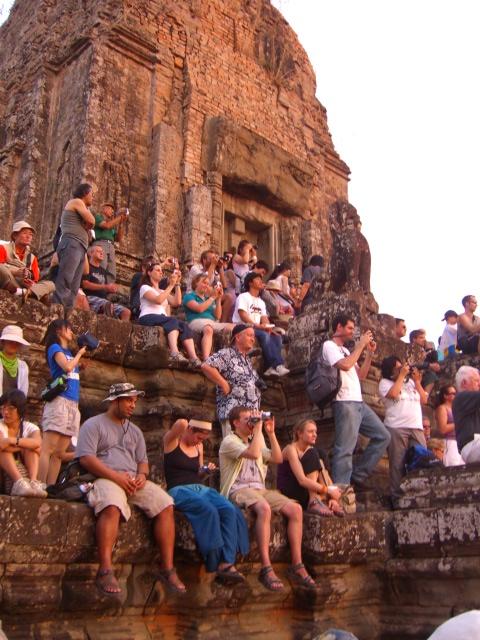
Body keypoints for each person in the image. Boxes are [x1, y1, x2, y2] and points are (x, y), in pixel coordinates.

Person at [76, 383, 186, 596]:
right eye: (128, 400)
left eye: (134, 401)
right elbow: (86, 459)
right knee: (112, 506)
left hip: (132, 480)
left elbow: (142, 463)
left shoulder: (135, 431)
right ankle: (105, 570)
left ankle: (167, 568)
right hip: (104, 477)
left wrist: (142, 477)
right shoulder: (93, 425)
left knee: (165, 504)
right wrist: (116, 476)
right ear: (115, 401)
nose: (133, 405)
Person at [219, 406, 316, 591]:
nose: (251, 422)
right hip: (238, 489)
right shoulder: (229, 441)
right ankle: (266, 567)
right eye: (247, 419)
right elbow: (254, 454)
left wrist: (270, 433)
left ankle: (297, 565)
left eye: (253, 419)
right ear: (235, 423)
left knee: (295, 509)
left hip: (260, 489)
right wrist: (258, 429)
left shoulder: (257, 438)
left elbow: (277, 459)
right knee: (264, 508)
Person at [163, 418, 249, 581]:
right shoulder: (172, 442)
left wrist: (206, 471)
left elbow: (198, 474)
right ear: (190, 430)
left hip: (199, 488)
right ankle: (213, 559)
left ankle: (227, 562)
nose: (199, 441)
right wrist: (191, 423)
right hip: (178, 489)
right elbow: (180, 424)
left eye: (203, 439)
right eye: (198, 437)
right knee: (208, 510)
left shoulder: (199, 447)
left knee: (228, 509)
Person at [322, 314, 390, 485]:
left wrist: (369, 354)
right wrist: (360, 346)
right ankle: (342, 488)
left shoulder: (346, 350)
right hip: (344, 401)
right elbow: (344, 365)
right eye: (350, 328)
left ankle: (357, 476)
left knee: (383, 436)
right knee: (345, 448)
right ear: (339, 327)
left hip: (358, 402)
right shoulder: (329, 346)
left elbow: (361, 375)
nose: (352, 332)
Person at [38, 320, 87, 486]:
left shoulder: (68, 352)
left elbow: (70, 368)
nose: (71, 332)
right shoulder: (54, 348)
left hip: (73, 403)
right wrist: (79, 354)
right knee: (48, 448)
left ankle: (50, 488)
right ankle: (39, 485)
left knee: (59, 453)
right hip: (60, 401)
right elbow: (66, 367)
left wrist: (80, 363)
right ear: (59, 331)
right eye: (69, 329)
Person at [378, 356, 428, 502]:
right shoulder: (384, 383)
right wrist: (401, 376)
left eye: (402, 367)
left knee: (422, 459)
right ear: (390, 371)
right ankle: (397, 498)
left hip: (416, 426)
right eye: (398, 368)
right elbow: (393, 394)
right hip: (396, 426)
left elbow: (424, 400)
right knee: (397, 464)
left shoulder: (410, 382)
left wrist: (417, 381)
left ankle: (421, 493)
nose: (402, 370)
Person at [201, 324, 261, 437]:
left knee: (252, 449)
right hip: (234, 416)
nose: (253, 339)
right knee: (235, 447)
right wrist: (223, 383)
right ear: (238, 337)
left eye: (253, 336)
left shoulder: (247, 360)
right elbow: (206, 365)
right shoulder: (227, 353)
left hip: (251, 418)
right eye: (249, 335)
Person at [138, 261, 201, 366]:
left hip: (161, 318)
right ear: (149, 272)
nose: (161, 272)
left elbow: (177, 302)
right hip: (147, 316)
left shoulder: (163, 291)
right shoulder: (145, 288)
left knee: (184, 326)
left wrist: (177, 284)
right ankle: (174, 353)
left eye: (161, 271)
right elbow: (158, 300)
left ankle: (194, 358)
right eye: (158, 270)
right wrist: (171, 285)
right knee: (172, 320)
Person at [277, 418, 344, 516]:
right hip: (290, 493)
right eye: (310, 431)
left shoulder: (312, 451)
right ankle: (314, 501)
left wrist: (333, 497)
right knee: (313, 454)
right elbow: (302, 480)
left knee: (319, 456)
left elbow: (324, 474)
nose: (315, 434)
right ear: (299, 434)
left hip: (305, 491)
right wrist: (328, 490)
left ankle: (329, 501)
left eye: (315, 432)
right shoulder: (290, 449)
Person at [232, 271, 289, 377]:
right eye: (257, 279)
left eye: (260, 279)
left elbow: (264, 318)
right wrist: (257, 326)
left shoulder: (261, 302)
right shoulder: (243, 296)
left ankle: (269, 368)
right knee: (264, 335)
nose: (260, 281)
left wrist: (269, 328)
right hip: (243, 326)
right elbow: (243, 315)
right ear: (250, 283)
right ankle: (278, 365)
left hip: (257, 327)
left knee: (277, 337)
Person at [53, 183, 96, 311]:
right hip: (72, 243)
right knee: (66, 279)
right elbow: (92, 221)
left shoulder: (83, 207)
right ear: (85, 193)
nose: (93, 197)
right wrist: (88, 226)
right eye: (91, 194)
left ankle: (67, 313)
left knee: (74, 286)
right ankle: (57, 310)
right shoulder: (76, 201)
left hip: (80, 247)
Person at [0, 390, 47, 497]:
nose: (5, 412)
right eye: (2, 408)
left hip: (24, 470)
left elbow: (37, 443)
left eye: (11, 408)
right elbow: (1, 445)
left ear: (20, 409)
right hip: (4, 475)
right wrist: (24, 445)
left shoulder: (30, 427)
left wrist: (11, 441)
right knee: (3, 451)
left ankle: (33, 482)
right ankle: (19, 482)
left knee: (31, 449)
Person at [182, 273, 234, 360]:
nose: (206, 285)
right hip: (196, 321)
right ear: (196, 283)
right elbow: (199, 309)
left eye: (208, 284)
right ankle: (206, 359)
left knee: (235, 327)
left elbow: (218, 316)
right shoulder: (189, 296)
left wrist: (218, 299)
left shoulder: (208, 299)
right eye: (204, 282)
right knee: (208, 329)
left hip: (212, 322)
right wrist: (213, 297)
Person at [0, 221, 55, 301]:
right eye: (25, 233)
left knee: (51, 284)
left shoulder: (32, 258)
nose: (28, 236)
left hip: (23, 286)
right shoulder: (3, 248)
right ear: (15, 235)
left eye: (31, 234)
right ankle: (32, 294)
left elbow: (35, 280)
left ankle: (26, 292)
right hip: (10, 281)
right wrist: (16, 272)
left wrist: (30, 282)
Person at [82, 245, 131, 321]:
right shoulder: (87, 267)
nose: (101, 253)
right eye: (98, 251)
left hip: (104, 301)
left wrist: (112, 289)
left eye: (102, 252)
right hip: (90, 298)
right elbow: (85, 284)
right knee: (108, 305)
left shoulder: (103, 271)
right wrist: (105, 287)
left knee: (126, 312)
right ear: (91, 253)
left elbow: (105, 288)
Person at [92, 202, 128, 283]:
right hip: (101, 244)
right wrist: (120, 217)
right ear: (104, 209)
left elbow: (118, 238)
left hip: (110, 246)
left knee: (111, 271)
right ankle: (98, 287)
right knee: (101, 267)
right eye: (110, 209)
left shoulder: (112, 223)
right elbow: (106, 226)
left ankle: (108, 289)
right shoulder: (98, 217)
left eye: (112, 210)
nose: (112, 211)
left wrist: (121, 224)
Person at [452, 366, 480, 464]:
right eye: (476, 381)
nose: (479, 384)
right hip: (471, 445)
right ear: (464, 383)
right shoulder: (461, 397)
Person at [435, 385, 464, 467]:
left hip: (460, 442)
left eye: (456, 393)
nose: (455, 395)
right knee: (453, 466)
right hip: (450, 442)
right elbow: (443, 429)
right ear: (445, 396)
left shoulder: (458, 409)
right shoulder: (442, 408)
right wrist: (459, 423)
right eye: (453, 393)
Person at [0, 325, 29, 396]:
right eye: (10, 341)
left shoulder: (23, 366)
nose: (14, 344)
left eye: (17, 342)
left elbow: (23, 392)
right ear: (3, 342)